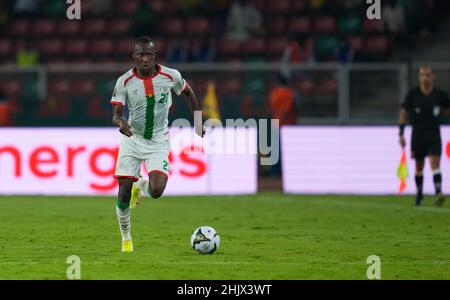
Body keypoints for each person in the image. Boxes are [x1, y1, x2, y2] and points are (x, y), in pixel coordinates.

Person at [110, 36, 204, 252]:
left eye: (149, 54)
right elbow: (116, 115)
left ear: (154, 56)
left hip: (158, 140)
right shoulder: (124, 81)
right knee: (123, 191)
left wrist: (198, 121)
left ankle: (140, 185)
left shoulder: (171, 76)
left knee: (156, 190)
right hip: (133, 138)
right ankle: (126, 239)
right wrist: (121, 122)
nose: (145, 59)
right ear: (134, 56)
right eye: (140, 55)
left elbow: (188, 93)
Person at [398, 66, 450, 206]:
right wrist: (401, 133)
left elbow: (448, 110)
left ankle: (438, 193)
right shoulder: (413, 95)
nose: (425, 78)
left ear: (433, 77)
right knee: (419, 166)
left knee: (435, 163)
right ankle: (419, 194)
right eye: (422, 75)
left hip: (433, 134)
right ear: (419, 77)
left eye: (427, 75)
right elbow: (404, 114)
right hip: (418, 135)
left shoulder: (440, 95)